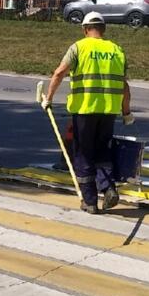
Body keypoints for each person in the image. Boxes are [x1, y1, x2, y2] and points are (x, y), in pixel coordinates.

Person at [43, 11, 131, 213]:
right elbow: (124, 86)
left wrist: (48, 98)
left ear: (85, 29)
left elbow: (59, 72)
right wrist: (126, 112)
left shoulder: (79, 47)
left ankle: (89, 201)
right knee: (102, 152)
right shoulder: (117, 50)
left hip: (84, 111)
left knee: (83, 154)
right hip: (108, 111)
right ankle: (108, 188)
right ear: (104, 29)